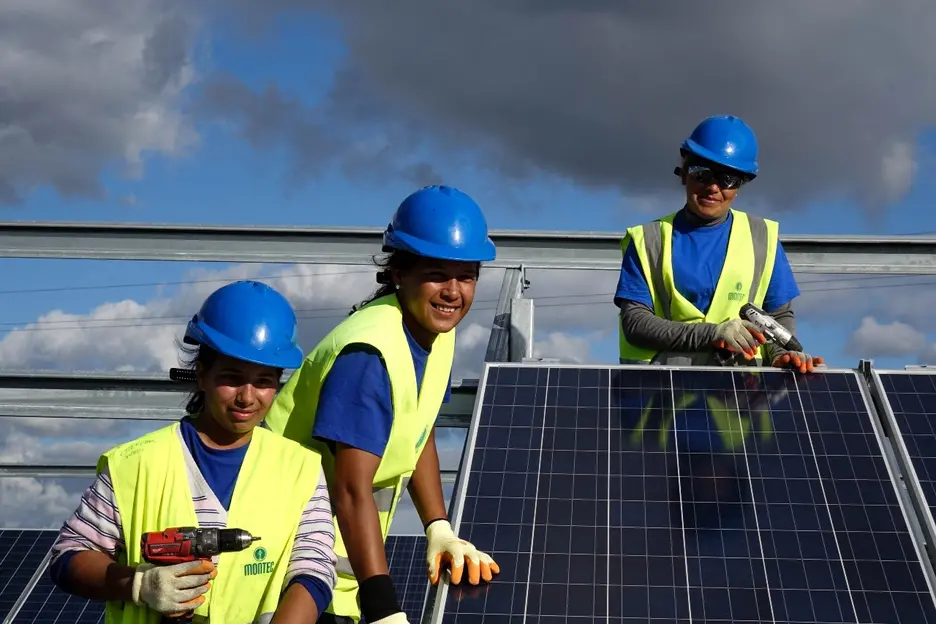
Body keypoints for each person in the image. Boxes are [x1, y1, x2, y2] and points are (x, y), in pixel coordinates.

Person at [264, 185, 500, 624]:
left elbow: (418, 427)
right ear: (398, 273)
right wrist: (383, 607)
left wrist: (438, 527)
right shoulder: (369, 354)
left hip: (331, 568)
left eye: (466, 276)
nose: (453, 291)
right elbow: (352, 490)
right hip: (281, 565)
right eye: (436, 273)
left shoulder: (434, 335)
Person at [48, 280, 337, 623]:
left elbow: (314, 566)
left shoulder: (299, 468)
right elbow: (69, 557)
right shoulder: (135, 464)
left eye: (263, 381)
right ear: (201, 375)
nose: (247, 397)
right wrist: (138, 584)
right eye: (231, 378)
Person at [614, 114, 823, 372]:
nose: (713, 187)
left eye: (727, 179)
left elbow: (778, 316)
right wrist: (713, 334)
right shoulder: (648, 240)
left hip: (739, 403)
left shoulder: (762, 238)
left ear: (740, 185)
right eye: (701, 173)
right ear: (684, 174)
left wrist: (782, 355)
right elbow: (636, 323)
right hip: (662, 402)